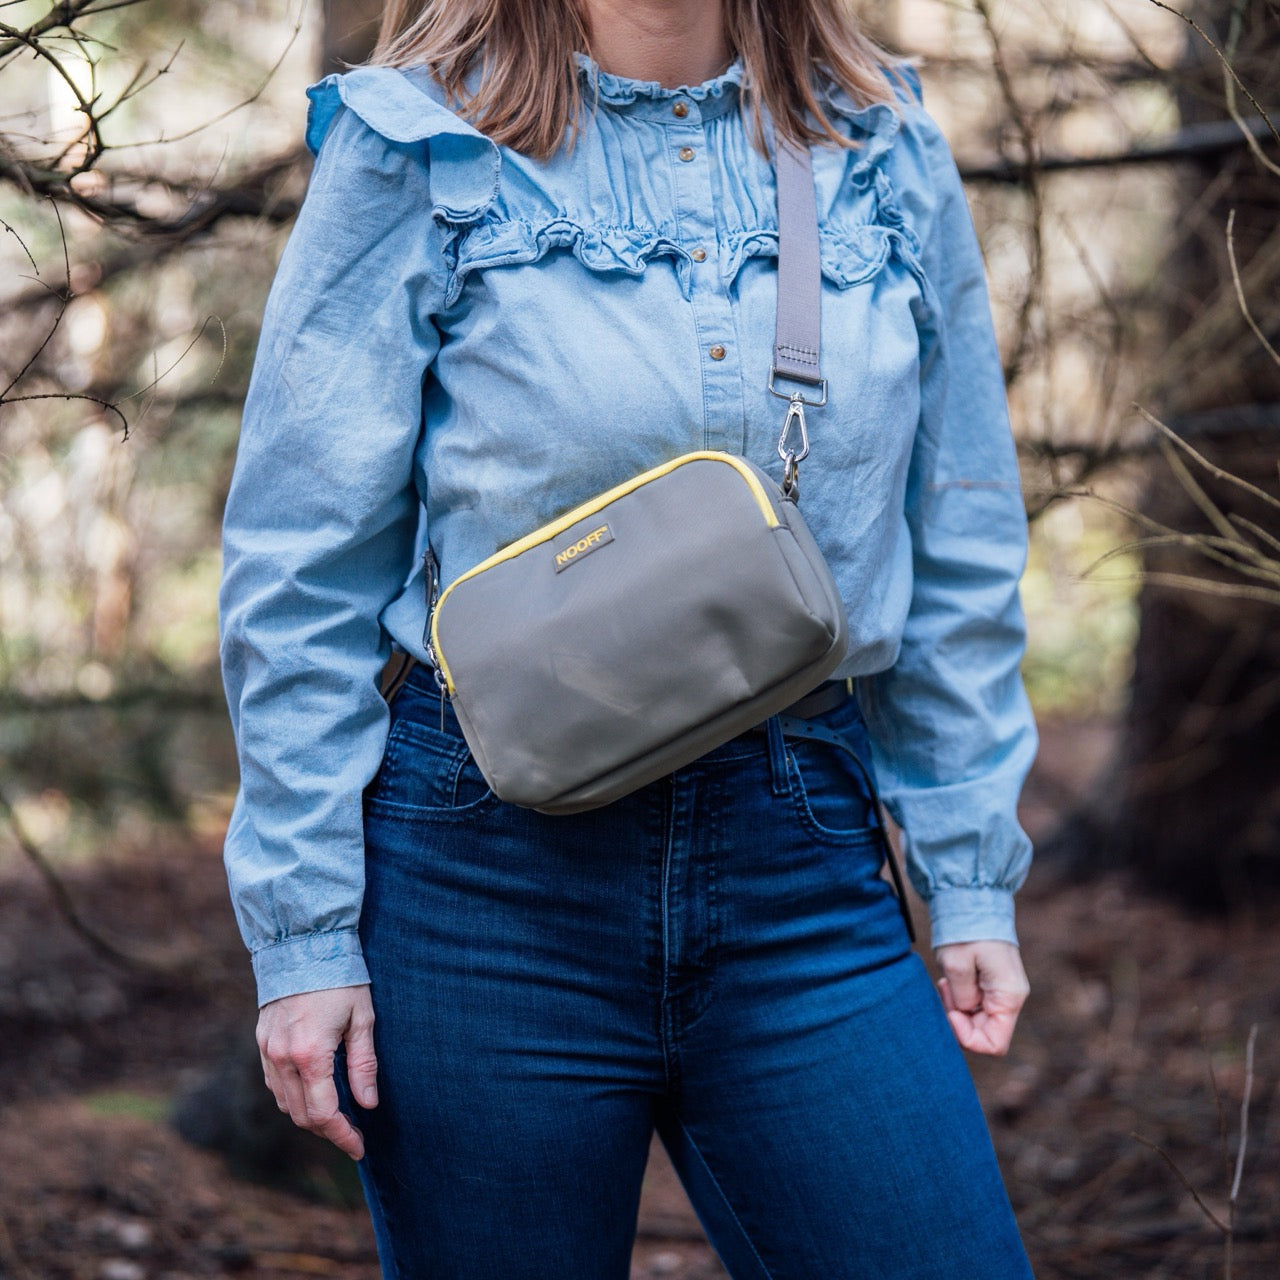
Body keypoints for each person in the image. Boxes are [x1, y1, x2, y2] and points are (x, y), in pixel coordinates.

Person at [218, 1, 1039, 1276]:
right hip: (480, 879)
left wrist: (967, 868)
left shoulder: (881, 144)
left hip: (802, 862)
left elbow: (962, 527)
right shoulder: (414, 141)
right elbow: (299, 562)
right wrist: (305, 930)